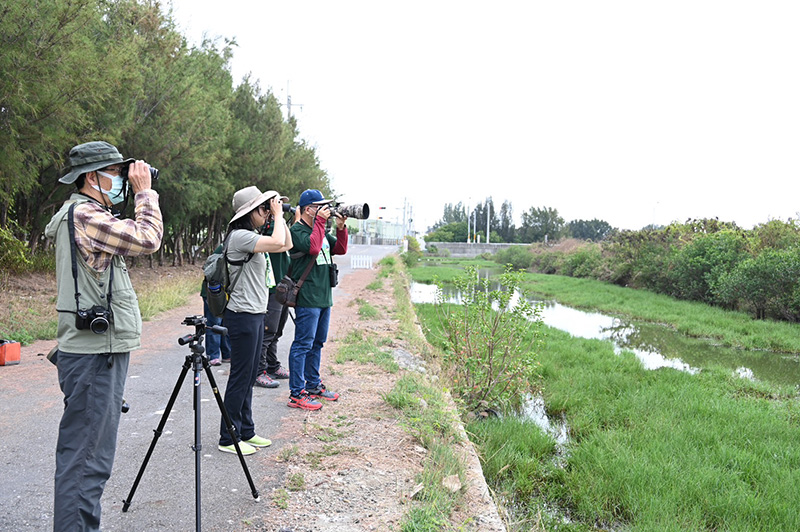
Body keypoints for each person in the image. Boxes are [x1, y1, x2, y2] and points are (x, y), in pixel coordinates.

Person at [44, 140, 163, 532]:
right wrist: (145, 192)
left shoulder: (77, 214)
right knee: (87, 463)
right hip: (94, 354)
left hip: (91, 351)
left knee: (84, 456)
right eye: (114, 173)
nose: (120, 180)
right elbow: (148, 238)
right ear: (91, 178)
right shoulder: (85, 216)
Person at [218, 186, 292, 455]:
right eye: (263, 209)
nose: (267, 213)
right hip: (242, 315)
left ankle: (245, 430)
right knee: (240, 376)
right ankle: (228, 437)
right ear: (249, 212)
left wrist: (276, 217)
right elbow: (277, 243)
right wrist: (278, 216)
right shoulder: (239, 237)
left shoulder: (254, 236)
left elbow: (286, 244)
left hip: (255, 314)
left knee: (250, 375)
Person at [286, 189, 348, 410]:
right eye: (319, 206)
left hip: (324, 297)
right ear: (308, 209)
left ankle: (312, 385)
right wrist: (321, 223)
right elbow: (313, 247)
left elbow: (339, 249)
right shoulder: (297, 231)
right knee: (303, 344)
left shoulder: (318, 230)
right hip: (308, 297)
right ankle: (296, 393)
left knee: (318, 343)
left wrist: (341, 228)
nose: (324, 210)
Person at [254, 208, 300, 388]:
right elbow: (284, 241)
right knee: (268, 332)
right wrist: (280, 215)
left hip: (281, 289)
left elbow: (289, 243)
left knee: (277, 331)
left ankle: (272, 365)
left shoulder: (278, 227)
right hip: (271, 290)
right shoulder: (270, 230)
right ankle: (259, 371)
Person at [200, 244, 231, 365]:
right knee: (214, 323)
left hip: (225, 293)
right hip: (213, 293)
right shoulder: (223, 248)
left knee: (226, 323)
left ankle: (227, 354)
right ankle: (213, 355)